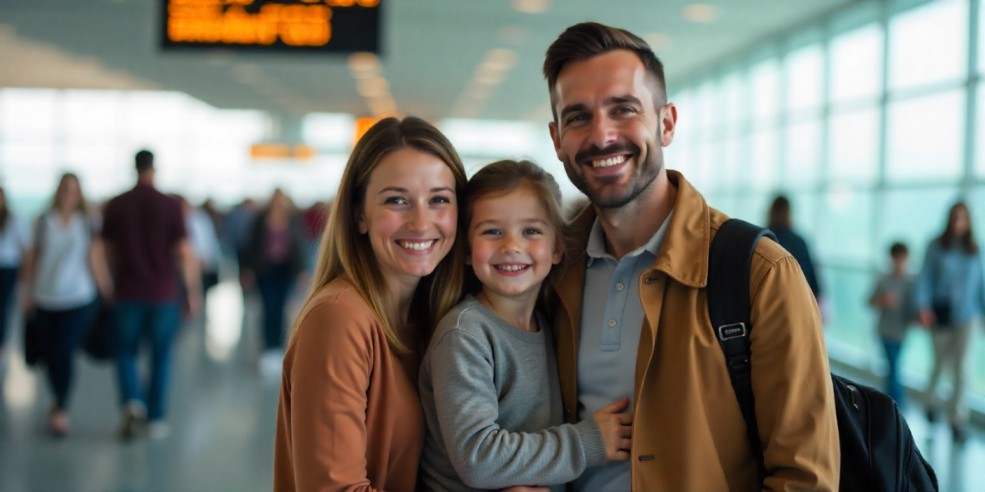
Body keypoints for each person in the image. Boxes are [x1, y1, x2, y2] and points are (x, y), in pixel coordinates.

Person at [542, 22, 839, 490]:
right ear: (557, 139)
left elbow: (806, 478)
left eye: (623, 109)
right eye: (578, 117)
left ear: (666, 123)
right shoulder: (549, 272)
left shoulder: (760, 273)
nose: (602, 136)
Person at [272, 116, 467, 491]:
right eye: (397, 200)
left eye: (439, 200)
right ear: (360, 214)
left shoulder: (436, 319)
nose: (421, 221)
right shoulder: (339, 318)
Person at [419, 160, 632, 491]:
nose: (511, 246)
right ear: (465, 249)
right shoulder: (465, 334)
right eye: (492, 231)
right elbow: (478, 458)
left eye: (531, 231)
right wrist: (589, 441)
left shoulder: (549, 324)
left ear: (558, 247)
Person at [101, 149, 201, 440]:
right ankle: (156, 417)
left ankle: (132, 400)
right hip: (163, 293)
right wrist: (192, 292)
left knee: (125, 349)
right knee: (161, 354)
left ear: (134, 168)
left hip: (127, 290)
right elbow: (183, 252)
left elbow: (105, 250)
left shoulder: (117, 205)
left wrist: (108, 284)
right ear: (154, 169)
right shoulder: (170, 205)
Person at [21, 173, 112, 436]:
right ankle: (57, 398)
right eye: (65, 189)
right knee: (50, 353)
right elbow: (34, 259)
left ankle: (61, 407)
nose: (69, 195)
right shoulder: (42, 222)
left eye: (73, 190)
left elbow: (95, 257)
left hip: (77, 297)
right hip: (45, 296)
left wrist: (105, 289)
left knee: (64, 351)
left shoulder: (87, 222)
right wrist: (27, 292)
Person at [915, 201, 984, 443]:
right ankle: (931, 404)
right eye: (955, 218)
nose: (958, 223)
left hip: (967, 317)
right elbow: (925, 278)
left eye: (962, 219)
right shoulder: (936, 246)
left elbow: (981, 283)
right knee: (939, 365)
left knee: (963, 369)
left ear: (968, 222)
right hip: (940, 315)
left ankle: (957, 421)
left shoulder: (975, 250)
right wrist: (923, 306)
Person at [241, 188, 306, 377]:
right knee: (268, 307)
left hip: (285, 270)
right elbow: (251, 245)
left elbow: (299, 244)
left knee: (281, 307)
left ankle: (278, 348)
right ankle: (268, 347)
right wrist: (248, 270)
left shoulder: (293, 220)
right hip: (265, 269)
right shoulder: (261, 220)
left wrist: (302, 271)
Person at [868, 241, 915, 407]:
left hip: (901, 331)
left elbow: (915, 308)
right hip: (885, 330)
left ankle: (892, 402)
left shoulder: (911, 282)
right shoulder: (884, 279)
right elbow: (870, 301)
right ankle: (894, 403)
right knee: (892, 367)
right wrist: (882, 300)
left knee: (893, 368)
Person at [767, 194, 822, 300]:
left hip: (768, 303)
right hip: (797, 301)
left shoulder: (762, 241)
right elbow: (814, 285)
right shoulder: (799, 242)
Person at [0, 186, 30, 361]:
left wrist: (25, 276)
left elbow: (25, 249)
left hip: (8, 268)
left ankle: (2, 343)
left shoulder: (15, 220)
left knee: (3, 306)